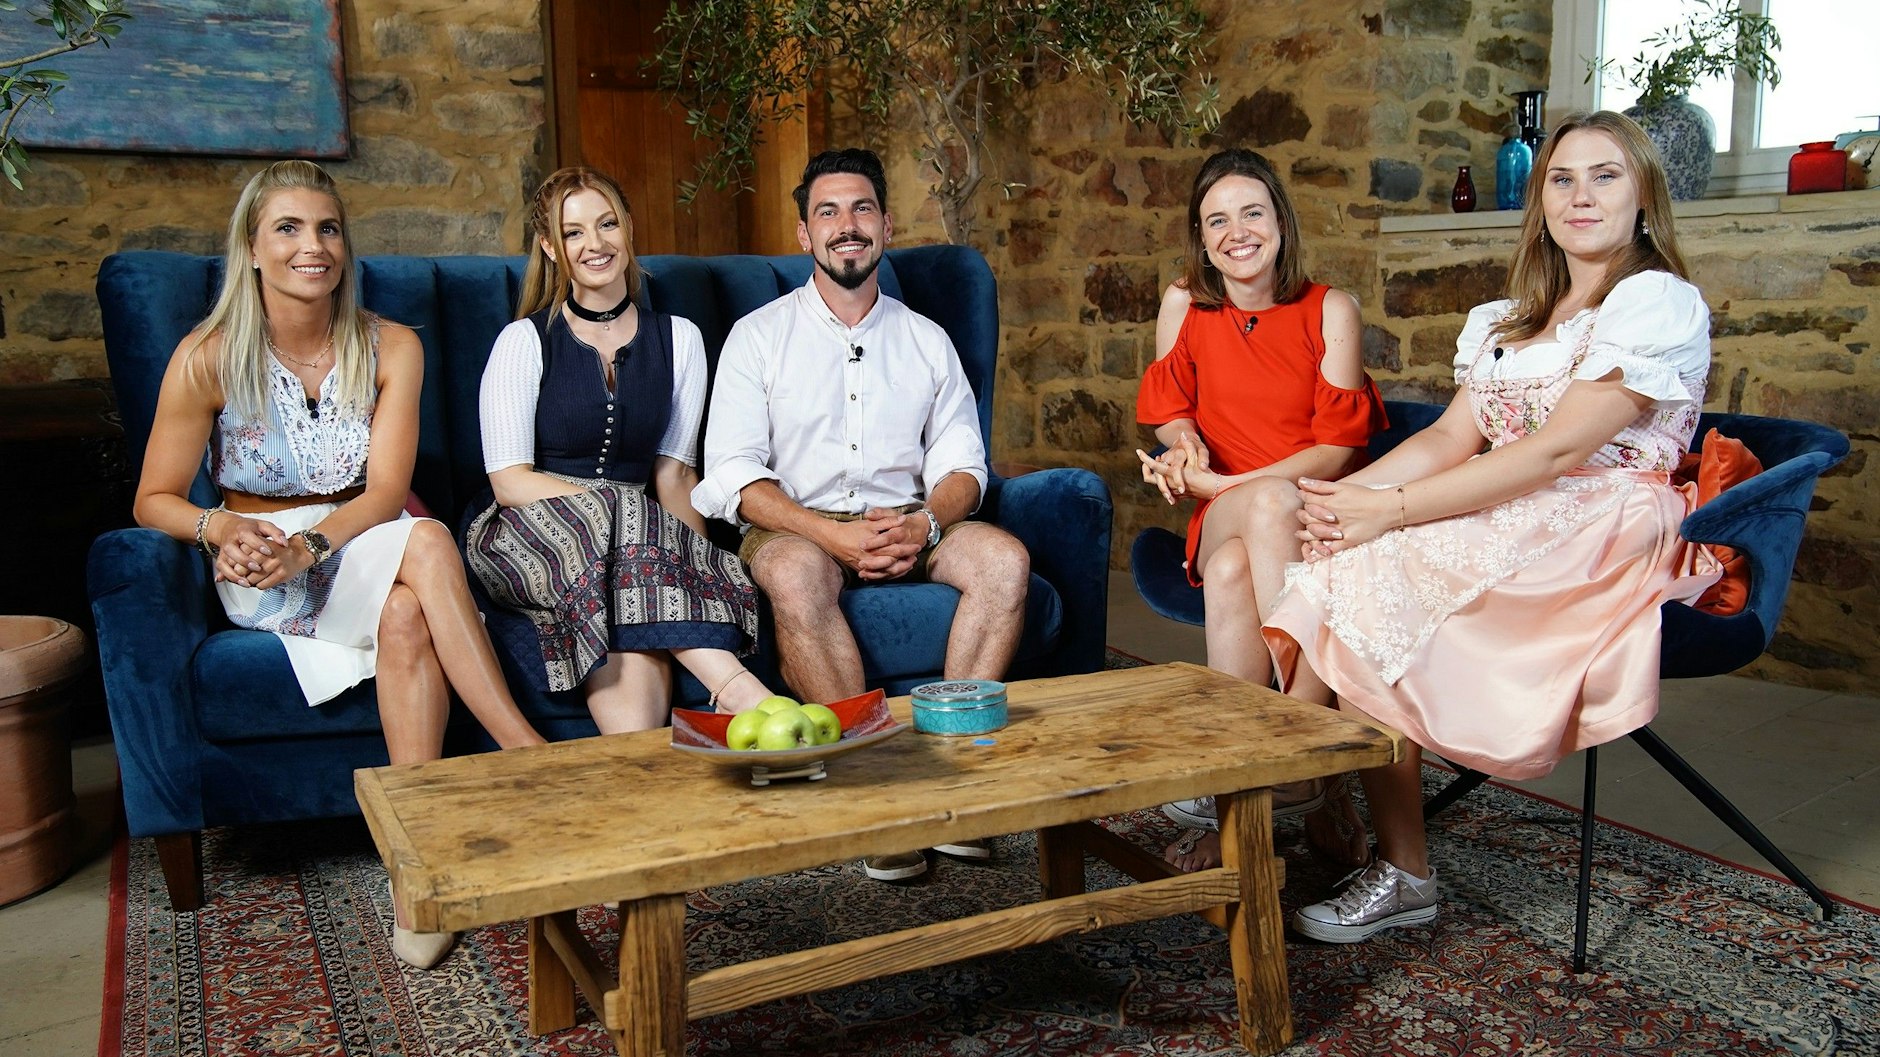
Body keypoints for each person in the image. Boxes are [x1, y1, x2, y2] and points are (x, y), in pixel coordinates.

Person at [1264, 110, 1719, 943]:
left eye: (1605, 176)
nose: (1580, 195)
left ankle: (1302, 772)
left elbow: (1556, 453)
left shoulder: (1658, 301)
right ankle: (1323, 783)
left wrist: (1387, 513)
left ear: (1646, 196)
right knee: (1348, 559)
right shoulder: (1508, 317)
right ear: (1541, 198)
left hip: (1601, 517)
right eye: (1562, 177)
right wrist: (1338, 503)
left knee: (1378, 566)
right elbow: (1446, 439)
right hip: (1506, 503)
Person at [131, 160, 547, 970]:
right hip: (263, 577)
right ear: (251, 247)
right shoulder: (205, 358)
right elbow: (152, 498)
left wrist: (313, 543)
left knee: (407, 596)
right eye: (287, 228)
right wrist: (220, 529)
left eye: (326, 227)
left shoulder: (390, 345)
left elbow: (389, 490)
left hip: (364, 535)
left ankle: (412, 871)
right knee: (425, 552)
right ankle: (528, 757)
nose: (311, 246)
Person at [693, 148, 1032, 882]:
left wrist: (926, 525)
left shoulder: (925, 340)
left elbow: (964, 465)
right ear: (803, 234)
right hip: (798, 523)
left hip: (909, 516)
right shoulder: (758, 337)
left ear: (886, 225)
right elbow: (734, 476)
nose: (847, 226)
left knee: (1005, 559)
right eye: (828, 212)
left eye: (861, 209)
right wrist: (830, 536)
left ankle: (954, 778)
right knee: (790, 568)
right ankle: (877, 791)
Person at [1135, 149, 1387, 873]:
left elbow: (1336, 453)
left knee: (1233, 566)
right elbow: (1170, 412)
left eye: (1252, 212)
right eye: (1217, 219)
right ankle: (1306, 743)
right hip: (1228, 504)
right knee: (1257, 513)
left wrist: (1218, 485)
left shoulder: (1330, 309)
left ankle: (1242, 798)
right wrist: (1184, 452)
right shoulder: (1184, 302)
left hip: (1317, 510)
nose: (1236, 232)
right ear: (1200, 234)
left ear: (1280, 220)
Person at [465, 166, 771, 730]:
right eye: (574, 232)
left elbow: (675, 478)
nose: (595, 244)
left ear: (628, 228)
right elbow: (509, 481)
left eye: (607, 224)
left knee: (635, 631)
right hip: (527, 532)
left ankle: (645, 796)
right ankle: (738, 689)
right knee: (626, 511)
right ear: (550, 248)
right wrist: (614, 506)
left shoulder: (680, 339)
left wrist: (691, 567)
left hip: (633, 550)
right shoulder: (523, 341)